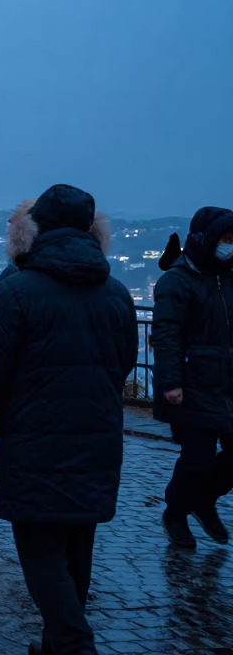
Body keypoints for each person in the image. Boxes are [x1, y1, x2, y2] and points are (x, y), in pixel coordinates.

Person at [0, 185, 137, 654]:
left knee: (40, 548)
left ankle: (72, 642)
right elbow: (125, 362)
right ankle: (58, 641)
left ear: (36, 230)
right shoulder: (115, 293)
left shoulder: (19, 291)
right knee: (77, 541)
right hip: (98, 439)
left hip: (33, 439)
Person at [152, 206, 233, 548]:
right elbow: (167, 333)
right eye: (225, 239)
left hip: (227, 383)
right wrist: (171, 383)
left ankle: (203, 500)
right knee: (197, 458)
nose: (229, 246)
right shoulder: (177, 280)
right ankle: (176, 511)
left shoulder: (227, 277)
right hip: (193, 382)